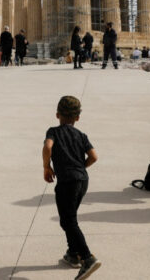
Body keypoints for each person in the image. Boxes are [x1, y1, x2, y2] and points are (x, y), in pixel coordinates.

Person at [42, 96, 101, 279]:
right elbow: (94, 157)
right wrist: (81, 167)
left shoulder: (53, 131)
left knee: (69, 221)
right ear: (77, 117)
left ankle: (87, 258)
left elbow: (47, 147)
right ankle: (73, 254)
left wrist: (46, 166)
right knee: (68, 218)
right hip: (82, 180)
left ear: (57, 114)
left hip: (67, 182)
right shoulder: (81, 135)